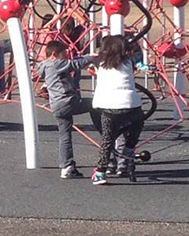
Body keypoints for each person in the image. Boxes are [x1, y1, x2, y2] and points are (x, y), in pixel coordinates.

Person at [39, 40, 102, 179]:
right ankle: (105, 133)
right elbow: (76, 64)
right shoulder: (55, 63)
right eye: (64, 53)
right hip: (67, 101)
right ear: (55, 54)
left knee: (64, 135)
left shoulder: (44, 66)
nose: (67, 56)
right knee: (96, 103)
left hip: (56, 105)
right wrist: (94, 57)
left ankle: (66, 166)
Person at [91, 35, 145, 185]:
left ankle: (101, 172)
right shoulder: (129, 61)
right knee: (137, 123)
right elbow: (137, 54)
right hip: (131, 105)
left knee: (107, 139)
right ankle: (129, 148)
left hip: (108, 107)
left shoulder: (99, 61)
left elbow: (81, 60)